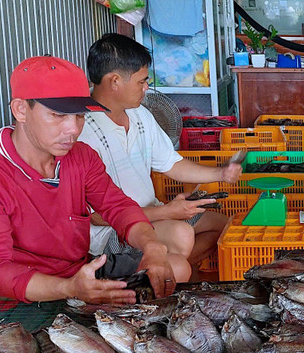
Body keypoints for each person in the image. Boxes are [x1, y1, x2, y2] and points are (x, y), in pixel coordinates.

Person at [0, 56, 182, 304]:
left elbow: (118, 207)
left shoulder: (81, 156)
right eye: (58, 115)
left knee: (174, 269)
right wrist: (68, 288)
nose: (73, 129)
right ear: (21, 110)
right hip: (25, 295)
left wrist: (151, 246)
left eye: (79, 116)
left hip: (80, 274)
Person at [78, 33, 241, 277]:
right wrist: (167, 213)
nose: (147, 88)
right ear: (114, 82)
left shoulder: (140, 115)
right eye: (141, 81)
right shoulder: (82, 131)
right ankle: (170, 272)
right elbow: (98, 217)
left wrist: (221, 173)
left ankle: (173, 270)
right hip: (112, 231)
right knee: (181, 237)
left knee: (225, 226)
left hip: (153, 213)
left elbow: (171, 163)